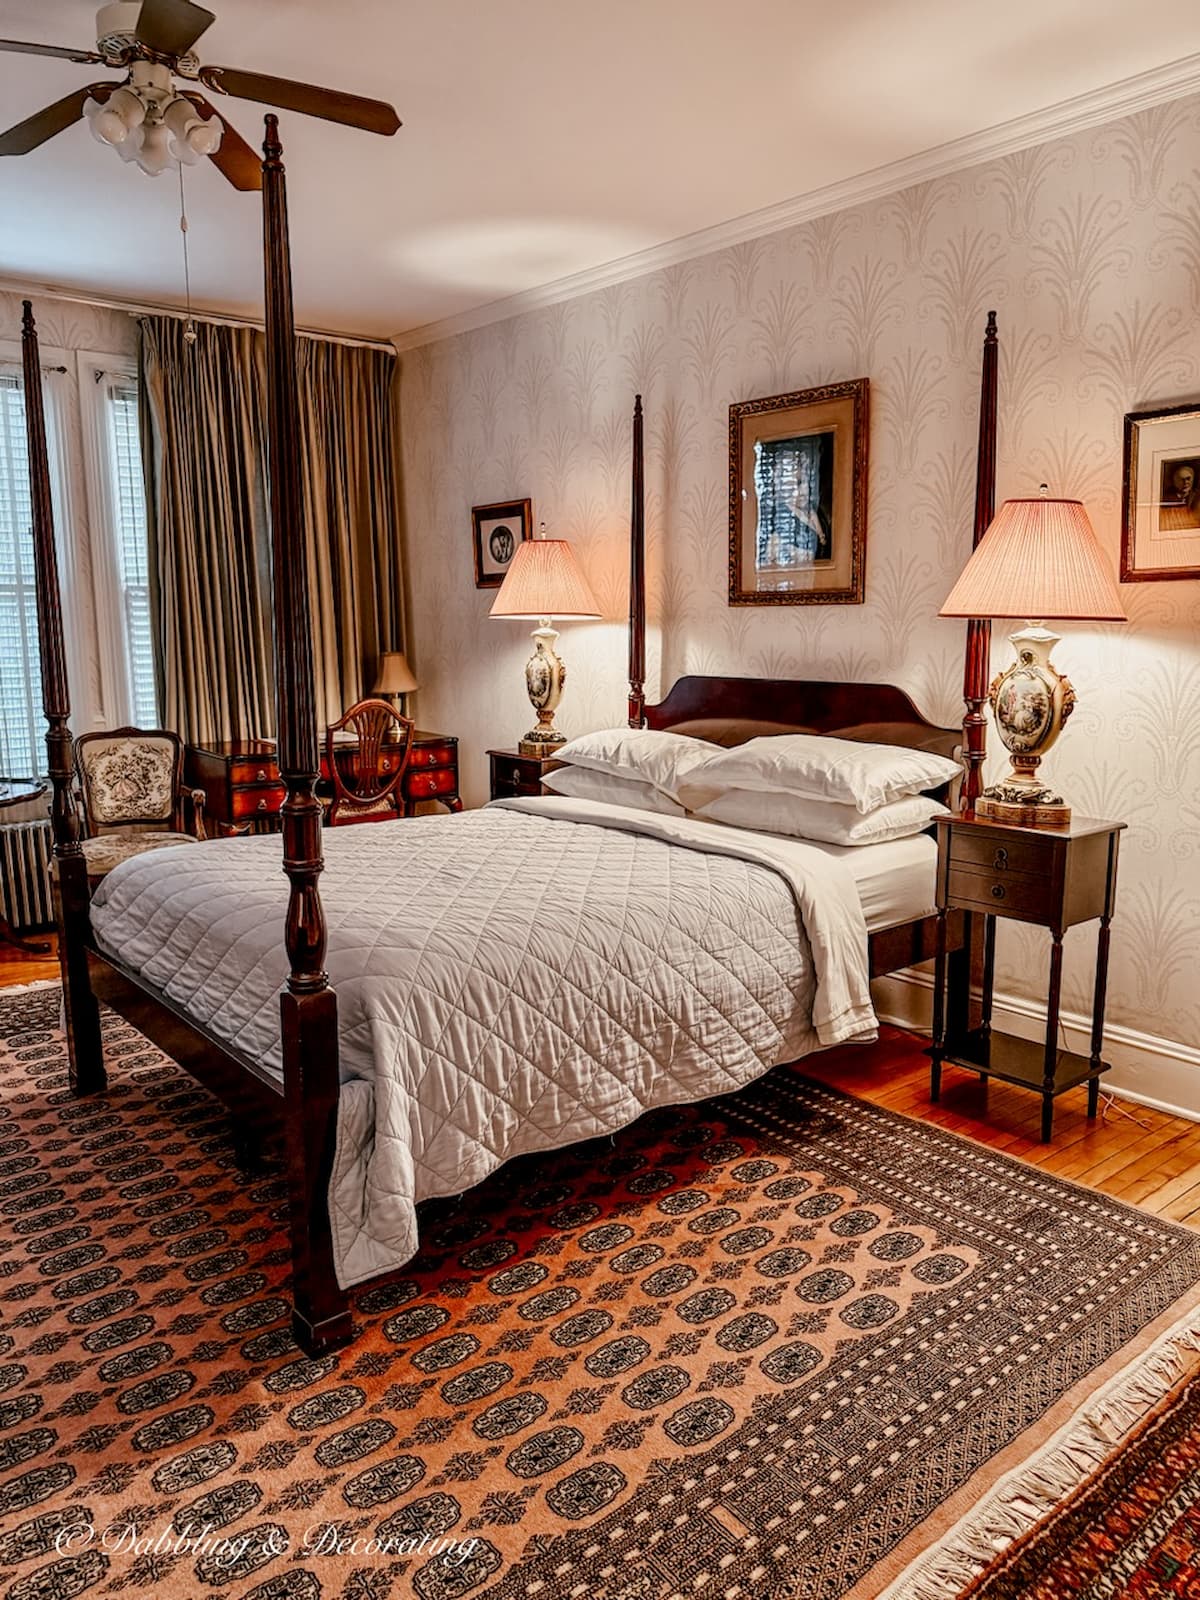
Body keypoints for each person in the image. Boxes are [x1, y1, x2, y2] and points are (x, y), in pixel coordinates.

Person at [1158, 461, 1200, 531]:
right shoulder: (1165, 499)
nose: (1186, 482)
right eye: (1181, 479)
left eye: (1188, 478)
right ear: (1174, 481)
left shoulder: (1197, 497)